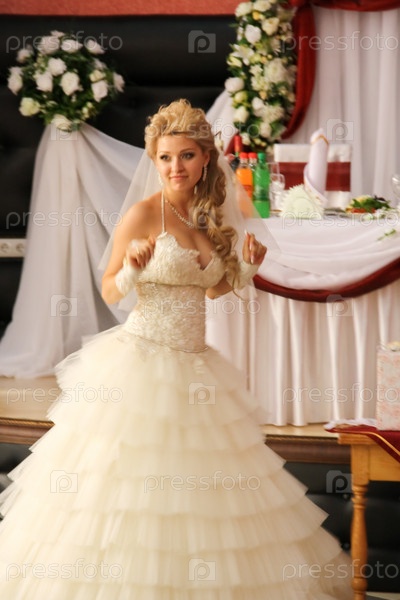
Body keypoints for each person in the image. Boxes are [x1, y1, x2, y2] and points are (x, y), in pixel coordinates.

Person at [0, 99, 352, 598]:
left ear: (205, 158)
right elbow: (110, 290)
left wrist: (245, 270)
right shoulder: (143, 213)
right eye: (165, 157)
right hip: (143, 363)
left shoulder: (207, 216)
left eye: (186, 155)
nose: (175, 167)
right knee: (130, 491)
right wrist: (132, 268)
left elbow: (210, 289)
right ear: (154, 160)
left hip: (197, 367)